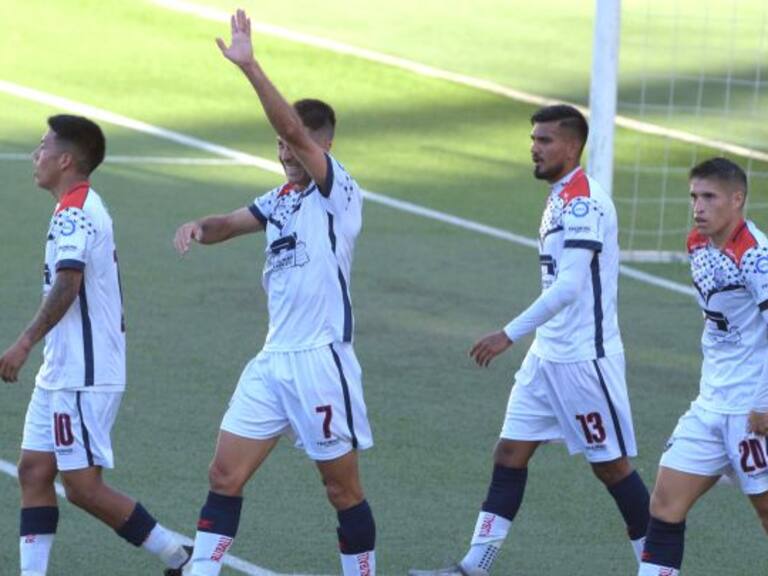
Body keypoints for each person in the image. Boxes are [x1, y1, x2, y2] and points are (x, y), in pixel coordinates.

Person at [173, 9, 375, 576]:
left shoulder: (338, 191)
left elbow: (290, 128)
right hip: (273, 361)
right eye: (282, 146)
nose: (286, 152)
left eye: (298, 145)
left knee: (342, 490)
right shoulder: (281, 198)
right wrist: (199, 227)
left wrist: (251, 67)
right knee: (224, 475)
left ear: (325, 144)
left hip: (320, 360)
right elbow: (230, 224)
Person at [410, 104, 650, 576]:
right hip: (547, 357)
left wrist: (508, 334)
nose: (534, 148)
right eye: (533, 139)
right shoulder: (560, 196)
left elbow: (570, 285)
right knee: (510, 454)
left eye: (544, 141)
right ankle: (474, 566)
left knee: (613, 469)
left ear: (573, 146)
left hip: (584, 360)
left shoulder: (583, 202)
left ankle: (658, 568)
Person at [0, 114, 191, 576]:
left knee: (83, 487)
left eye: (43, 146)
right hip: (62, 370)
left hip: (83, 375)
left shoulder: (77, 213)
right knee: (33, 471)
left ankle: (180, 557)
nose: (36, 155)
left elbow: (68, 284)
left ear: (65, 160)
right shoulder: (72, 208)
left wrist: (24, 342)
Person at [638, 157, 768, 576]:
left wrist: (765, 403)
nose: (699, 206)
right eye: (694, 196)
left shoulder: (756, 256)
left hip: (751, 410)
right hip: (709, 405)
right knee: (664, 502)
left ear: (737, 199)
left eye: (709, 197)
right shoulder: (696, 244)